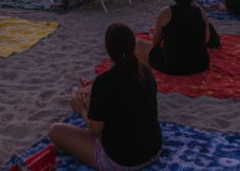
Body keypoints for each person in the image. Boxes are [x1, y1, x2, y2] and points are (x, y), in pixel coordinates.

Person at [49, 23, 162, 170]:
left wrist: (81, 109)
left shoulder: (104, 82)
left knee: (55, 131)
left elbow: (95, 129)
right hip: (153, 150)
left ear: (108, 52)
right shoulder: (145, 71)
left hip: (122, 161)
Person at [136, 0, 219, 75]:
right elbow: (206, 39)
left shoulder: (165, 13)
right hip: (200, 64)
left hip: (172, 65)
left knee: (139, 44)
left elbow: (156, 43)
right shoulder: (201, 13)